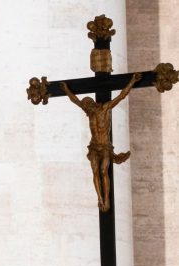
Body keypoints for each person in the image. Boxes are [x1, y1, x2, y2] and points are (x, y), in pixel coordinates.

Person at [59, 72, 141, 212]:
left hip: (105, 146)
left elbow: (122, 95)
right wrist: (66, 90)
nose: (86, 110)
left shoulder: (106, 108)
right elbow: (75, 100)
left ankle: (107, 199)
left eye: (87, 106)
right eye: (85, 107)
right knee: (96, 171)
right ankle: (100, 199)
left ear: (92, 104)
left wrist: (132, 81)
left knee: (104, 170)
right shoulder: (89, 112)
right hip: (94, 147)